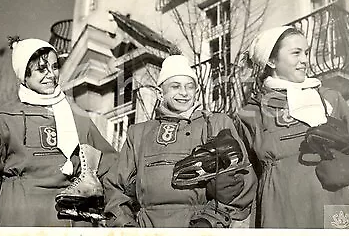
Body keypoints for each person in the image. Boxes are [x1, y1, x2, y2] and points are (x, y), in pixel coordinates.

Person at [101, 54, 257, 228]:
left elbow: (243, 181)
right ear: (161, 92)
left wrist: (210, 221)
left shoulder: (216, 124)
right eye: (175, 86)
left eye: (189, 87)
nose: (184, 93)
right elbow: (115, 187)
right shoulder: (138, 134)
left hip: (201, 228)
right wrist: (126, 226)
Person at [0, 38, 118, 227]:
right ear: (24, 75)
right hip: (23, 219)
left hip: (73, 220)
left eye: (55, 67)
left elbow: (111, 167)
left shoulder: (77, 116)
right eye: (41, 69)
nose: (51, 75)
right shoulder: (4, 119)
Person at [239, 26, 349, 228]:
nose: (305, 60)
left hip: (335, 206)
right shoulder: (252, 113)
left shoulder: (330, 98)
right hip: (282, 211)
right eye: (296, 53)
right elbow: (247, 175)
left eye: (306, 52)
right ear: (272, 61)